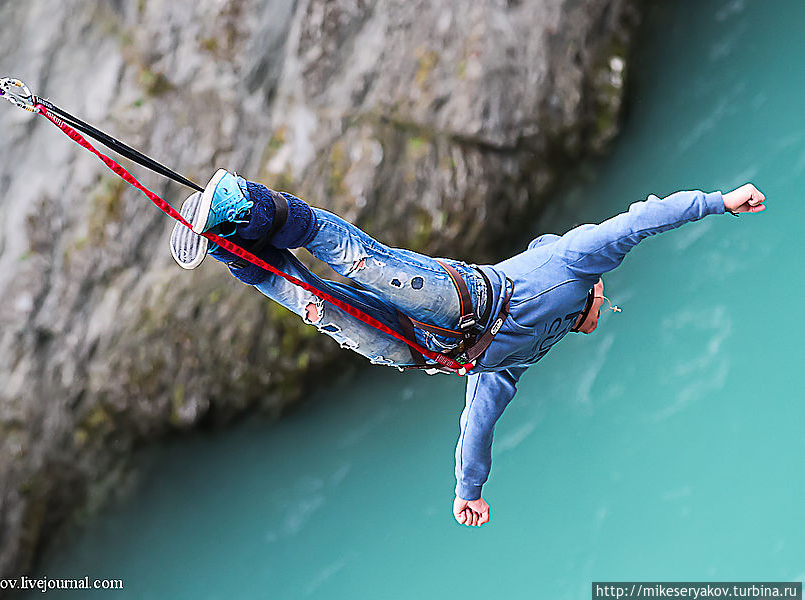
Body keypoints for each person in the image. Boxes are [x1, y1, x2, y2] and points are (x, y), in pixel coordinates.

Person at [170, 169, 766, 527]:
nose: (604, 308)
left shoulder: (516, 362)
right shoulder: (573, 262)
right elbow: (638, 221)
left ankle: (227, 245)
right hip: (459, 301)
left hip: (419, 349)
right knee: (361, 261)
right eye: (604, 301)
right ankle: (247, 203)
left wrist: (468, 489)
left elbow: (477, 424)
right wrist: (719, 201)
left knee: (320, 305)